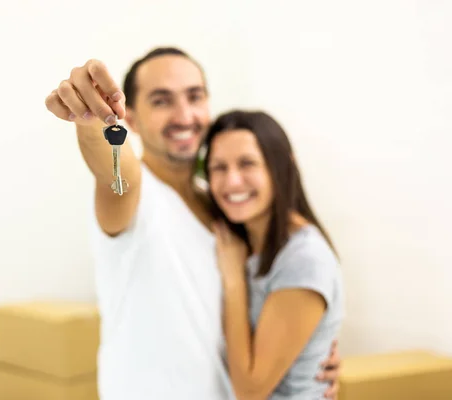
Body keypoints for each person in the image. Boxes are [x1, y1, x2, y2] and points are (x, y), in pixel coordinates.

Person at [44, 47, 341, 400]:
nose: (184, 115)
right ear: (133, 120)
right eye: (162, 100)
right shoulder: (136, 195)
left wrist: (307, 365)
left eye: (194, 96)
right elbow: (113, 172)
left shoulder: (226, 210)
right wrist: (93, 119)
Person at [204, 110, 345, 399]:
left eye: (247, 164)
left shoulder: (304, 259)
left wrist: (234, 282)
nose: (232, 181)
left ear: (281, 167)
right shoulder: (240, 240)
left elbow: (249, 391)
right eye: (219, 167)